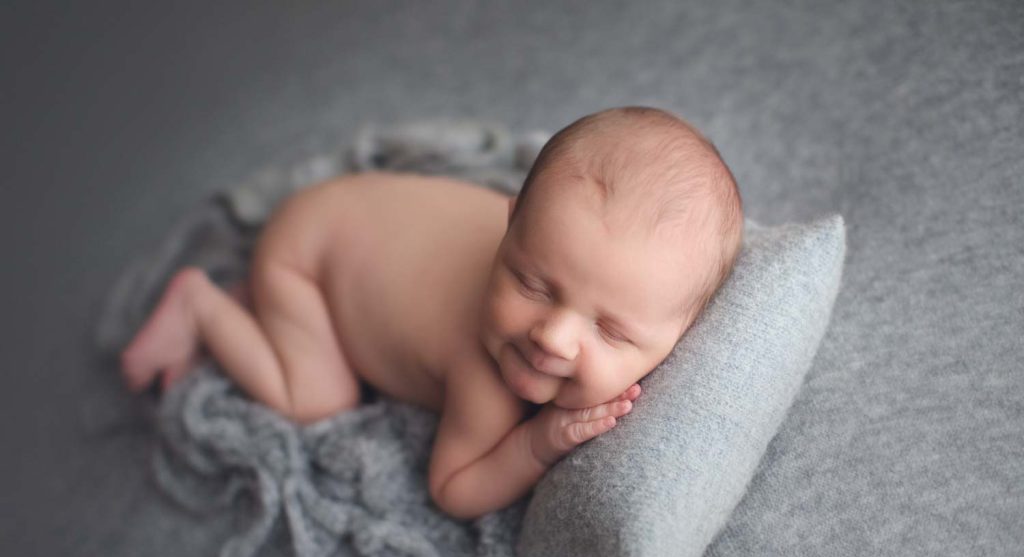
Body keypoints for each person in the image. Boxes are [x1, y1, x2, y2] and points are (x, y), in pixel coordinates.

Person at [121, 105, 744, 520]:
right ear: (510, 227)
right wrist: (538, 442)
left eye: (609, 329)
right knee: (317, 402)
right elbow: (452, 491)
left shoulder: (561, 237)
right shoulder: (489, 378)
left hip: (341, 213)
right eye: (530, 281)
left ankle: (251, 304)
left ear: (681, 336)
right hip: (302, 261)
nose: (550, 336)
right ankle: (202, 306)